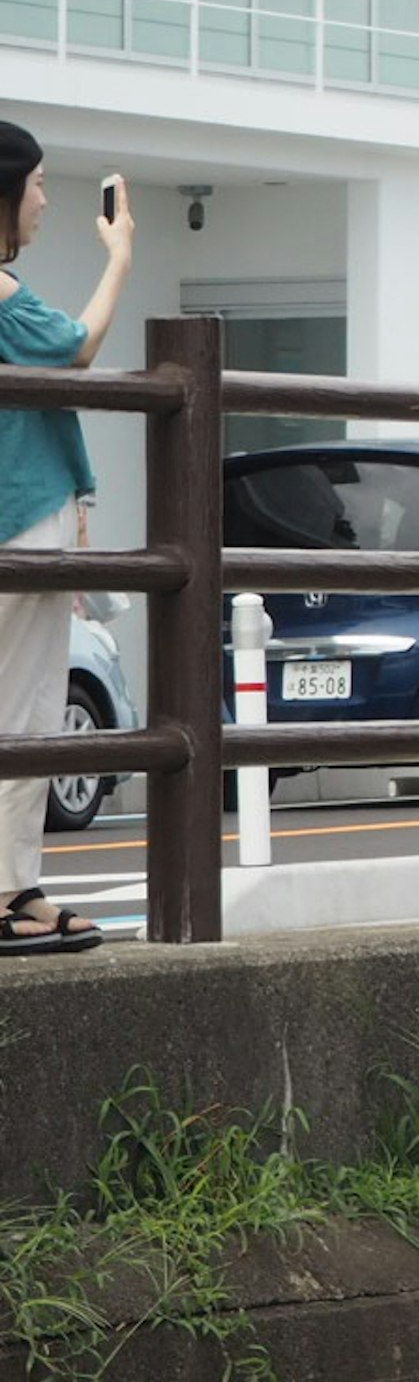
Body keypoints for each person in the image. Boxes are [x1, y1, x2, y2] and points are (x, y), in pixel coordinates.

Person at [0, 124, 129, 953]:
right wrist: (120, 254)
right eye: (39, 183)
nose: (46, 199)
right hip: (16, 522)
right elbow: (77, 348)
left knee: (29, 707)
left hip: (24, 517)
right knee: (24, 711)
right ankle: (10, 894)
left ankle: (18, 889)